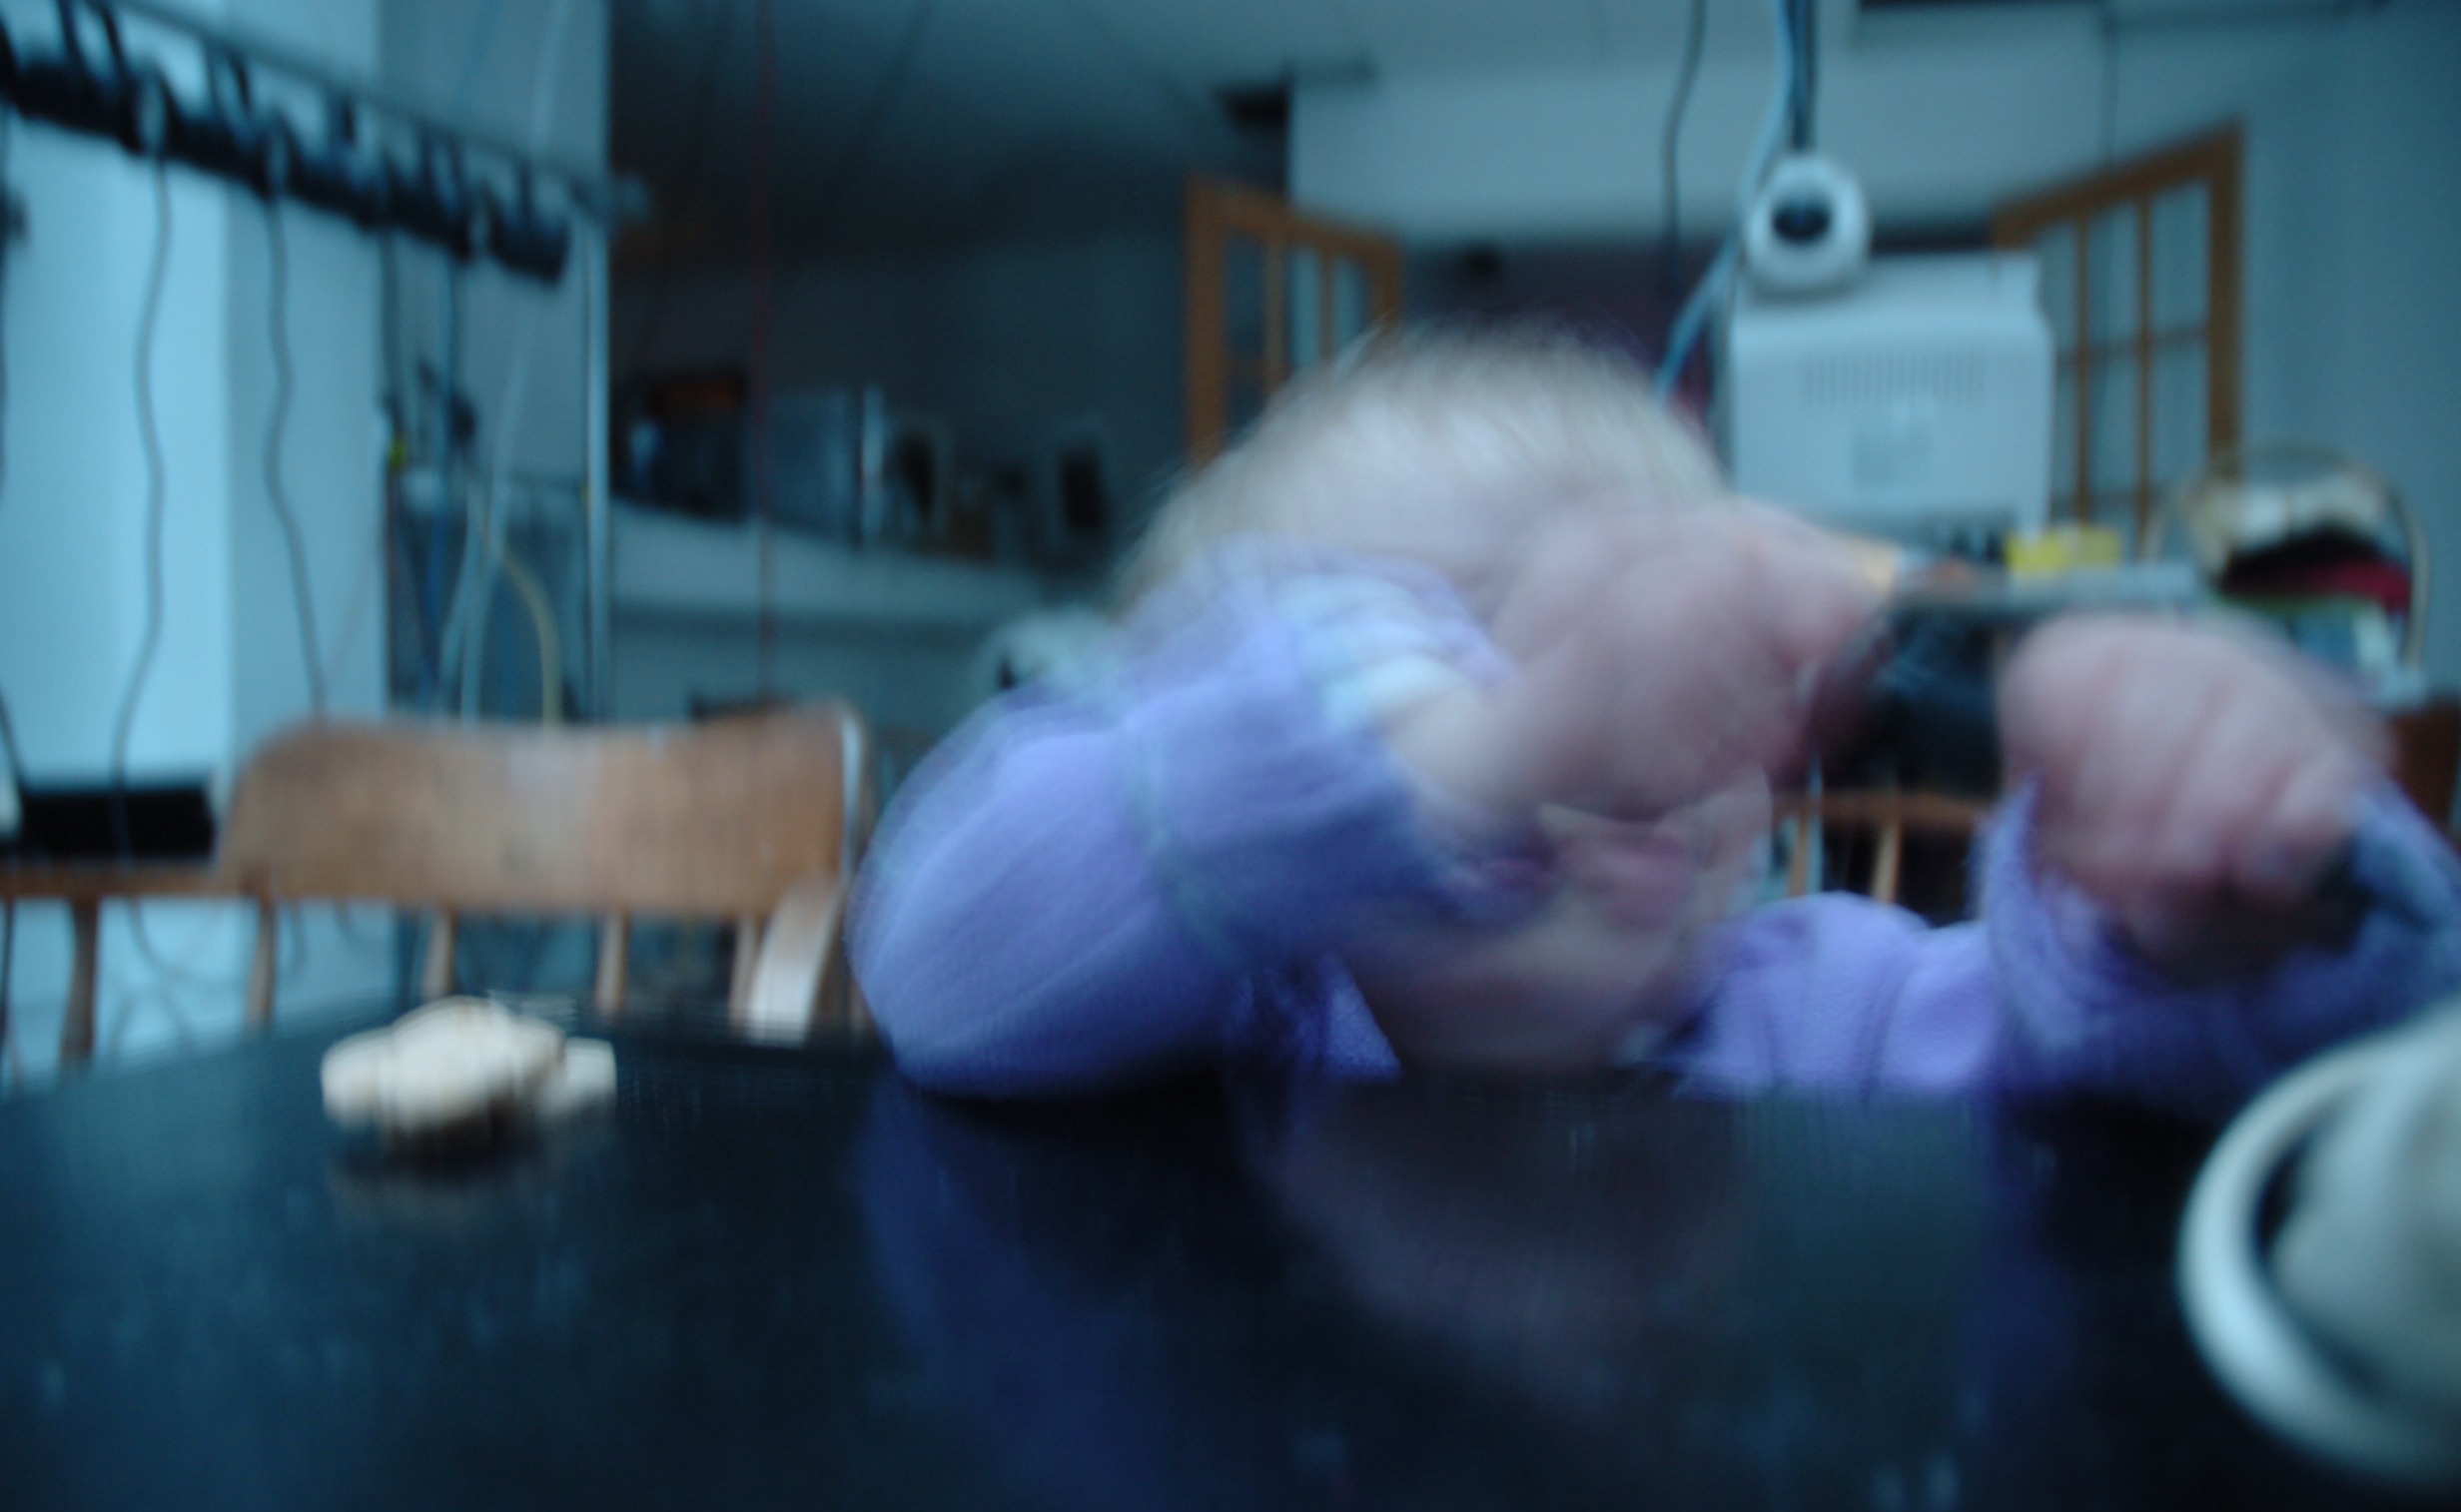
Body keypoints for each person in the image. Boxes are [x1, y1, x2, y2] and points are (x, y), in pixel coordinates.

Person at [850, 329, 2461, 1112]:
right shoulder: (1243, 1024)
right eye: (1461, 641)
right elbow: (936, 971)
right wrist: (1476, 760)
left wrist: (2212, 891)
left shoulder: (1833, 1017)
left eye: (1686, 653)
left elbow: (2224, 1089)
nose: (1623, 718)